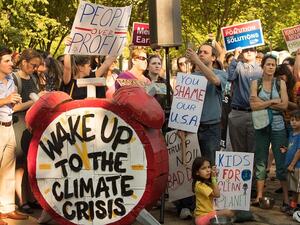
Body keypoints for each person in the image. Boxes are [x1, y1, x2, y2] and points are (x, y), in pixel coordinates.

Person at [249, 54, 289, 209]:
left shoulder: (281, 83)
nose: (271, 67)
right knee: (260, 160)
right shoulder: (255, 83)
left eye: (273, 64)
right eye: (268, 64)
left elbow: (285, 105)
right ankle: (259, 196)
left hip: (278, 127)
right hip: (261, 126)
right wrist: (273, 101)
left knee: (281, 161)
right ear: (263, 66)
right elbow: (253, 106)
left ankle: (286, 198)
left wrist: (262, 103)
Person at [12, 48, 45, 214]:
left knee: (29, 163)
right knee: (19, 164)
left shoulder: (32, 78)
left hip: (30, 125)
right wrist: (33, 103)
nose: (35, 69)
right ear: (24, 62)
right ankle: (21, 200)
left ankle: (31, 198)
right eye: (33, 65)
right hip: (18, 125)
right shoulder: (14, 78)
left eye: (37, 66)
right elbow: (13, 107)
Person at [186, 44, 227, 164]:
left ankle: (212, 184)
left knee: (211, 164)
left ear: (214, 58)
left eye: (205, 52)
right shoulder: (190, 77)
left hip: (211, 128)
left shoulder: (221, 74)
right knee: (193, 165)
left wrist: (198, 62)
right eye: (199, 52)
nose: (201, 54)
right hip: (192, 128)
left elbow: (215, 80)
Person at [0, 46, 27, 225]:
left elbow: (13, 105)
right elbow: (6, 101)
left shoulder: (11, 79)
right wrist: (6, 100)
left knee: (8, 170)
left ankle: (8, 208)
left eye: (11, 60)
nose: (12, 63)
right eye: (7, 61)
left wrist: (15, 102)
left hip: (9, 126)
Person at [228, 47, 262, 153]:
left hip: (256, 113)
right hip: (238, 113)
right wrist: (235, 56)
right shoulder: (238, 65)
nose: (248, 52)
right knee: (238, 150)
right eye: (246, 50)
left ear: (256, 53)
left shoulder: (262, 68)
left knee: (255, 149)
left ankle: (253, 170)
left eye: (251, 50)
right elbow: (230, 77)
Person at [192, 157, 234, 225]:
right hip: (202, 218)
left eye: (209, 167)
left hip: (207, 215)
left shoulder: (206, 183)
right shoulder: (199, 185)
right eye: (204, 168)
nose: (208, 170)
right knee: (228, 212)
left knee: (230, 211)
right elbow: (217, 195)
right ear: (197, 172)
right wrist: (213, 178)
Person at [281, 110, 300, 215]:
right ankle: (293, 206)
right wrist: (286, 150)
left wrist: (292, 164)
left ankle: (295, 207)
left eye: (297, 120)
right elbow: (292, 148)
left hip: (297, 166)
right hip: (291, 166)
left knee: (297, 188)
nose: (293, 122)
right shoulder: (292, 134)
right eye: (292, 120)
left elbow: (299, 151)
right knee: (293, 188)